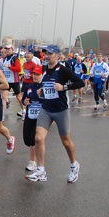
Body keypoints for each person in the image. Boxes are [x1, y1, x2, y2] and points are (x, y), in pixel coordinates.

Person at [31, 45, 84, 182]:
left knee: (66, 142)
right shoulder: (43, 69)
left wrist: (64, 87)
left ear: (58, 56)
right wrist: (42, 90)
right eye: (45, 54)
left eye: (50, 54)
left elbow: (80, 83)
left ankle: (73, 165)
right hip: (46, 109)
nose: (47, 56)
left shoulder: (63, 70)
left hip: (61, 110)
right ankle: (41, 170)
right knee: (38, 138)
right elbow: (47, 85)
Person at [21, 65, 44, 175]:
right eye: (34, 74)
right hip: (30, 115)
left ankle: (33, 162)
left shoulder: (44, 87)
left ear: (42, 75)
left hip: (41, 117)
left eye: (37, 74)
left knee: (32, 140)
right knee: (26, 139)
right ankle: (36, 157)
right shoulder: (28, 87)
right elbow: (23, 99)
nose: (35, 76)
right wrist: (25, 102)